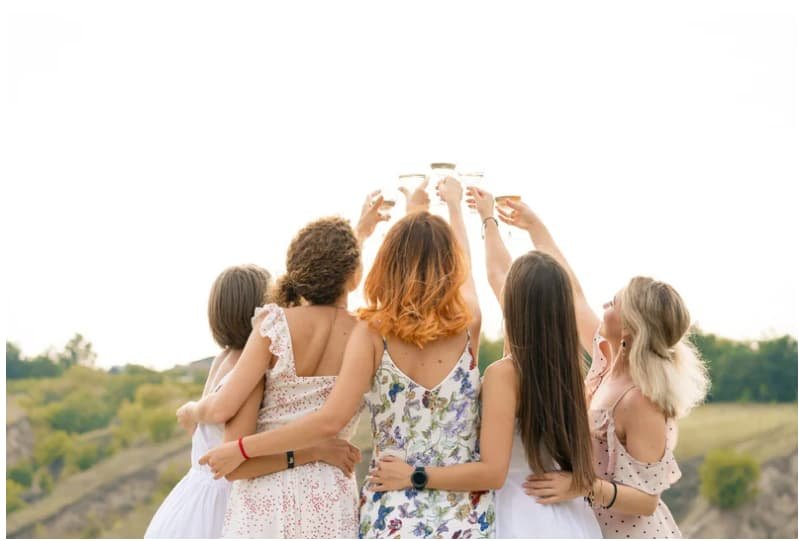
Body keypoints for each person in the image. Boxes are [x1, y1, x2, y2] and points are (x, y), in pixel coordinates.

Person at [199, 178, 495, 539]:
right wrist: (455, 209)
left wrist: (240, 448)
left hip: (392, 515)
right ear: (454, 265)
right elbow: (465, 277)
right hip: (462, 517)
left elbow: (328, 417)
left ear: (386, 265)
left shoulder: (374, 334)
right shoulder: (469, 327)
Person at [369, 188, 601, 538]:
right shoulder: (573, 371)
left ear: (514, 304)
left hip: (518, 512)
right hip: (569, 519)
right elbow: (501, 275)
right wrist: (489, 219)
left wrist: (414, 475)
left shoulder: (505, 375)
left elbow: (492, 470)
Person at [493, 195, 709, 539]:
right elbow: (573, 293)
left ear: (629, 327)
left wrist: (582, 486)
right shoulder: (605, 358)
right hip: (590, 527)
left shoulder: (642, 400)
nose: (604, 303)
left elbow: (647, 500)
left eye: (614, 302)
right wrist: (535, 227)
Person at [175, 193, 387, 538]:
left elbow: (233, 443)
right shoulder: (368, 333)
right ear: (354, 274)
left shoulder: (272, 328)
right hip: (328, 495)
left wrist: (195, 410)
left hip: (262, 500)